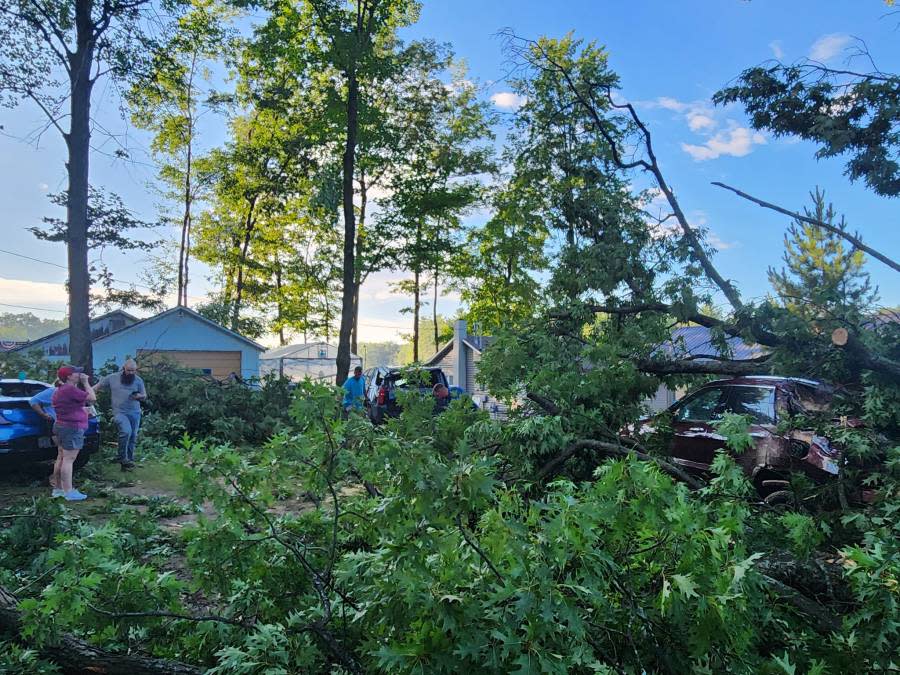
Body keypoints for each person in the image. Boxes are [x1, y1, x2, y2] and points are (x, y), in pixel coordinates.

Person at [51, 366, 96, 501]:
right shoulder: (70, 389)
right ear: (70, 376)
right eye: (77, 372)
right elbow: (92, 398)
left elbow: (71, 406)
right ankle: (69, 491)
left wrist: (83, 411)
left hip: (60, 425)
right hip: (72, 428)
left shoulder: (61, 390)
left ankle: (58, 489)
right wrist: (86, 382)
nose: (80, 373)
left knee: (60, 457)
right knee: (68, 460)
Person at [95, 358, 147, 471]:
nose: (131, 373)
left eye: (134, 371)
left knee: (133, 436)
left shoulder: (138, 380)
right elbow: (97, 387)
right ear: (124, 368)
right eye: (129, 370)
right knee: (125, 431)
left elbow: (144, 395)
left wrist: (139, 397)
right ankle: (122, 457)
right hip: (119, 412)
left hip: (134, 412)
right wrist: (87, 394)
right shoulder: (112, 378)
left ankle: (128, 462)